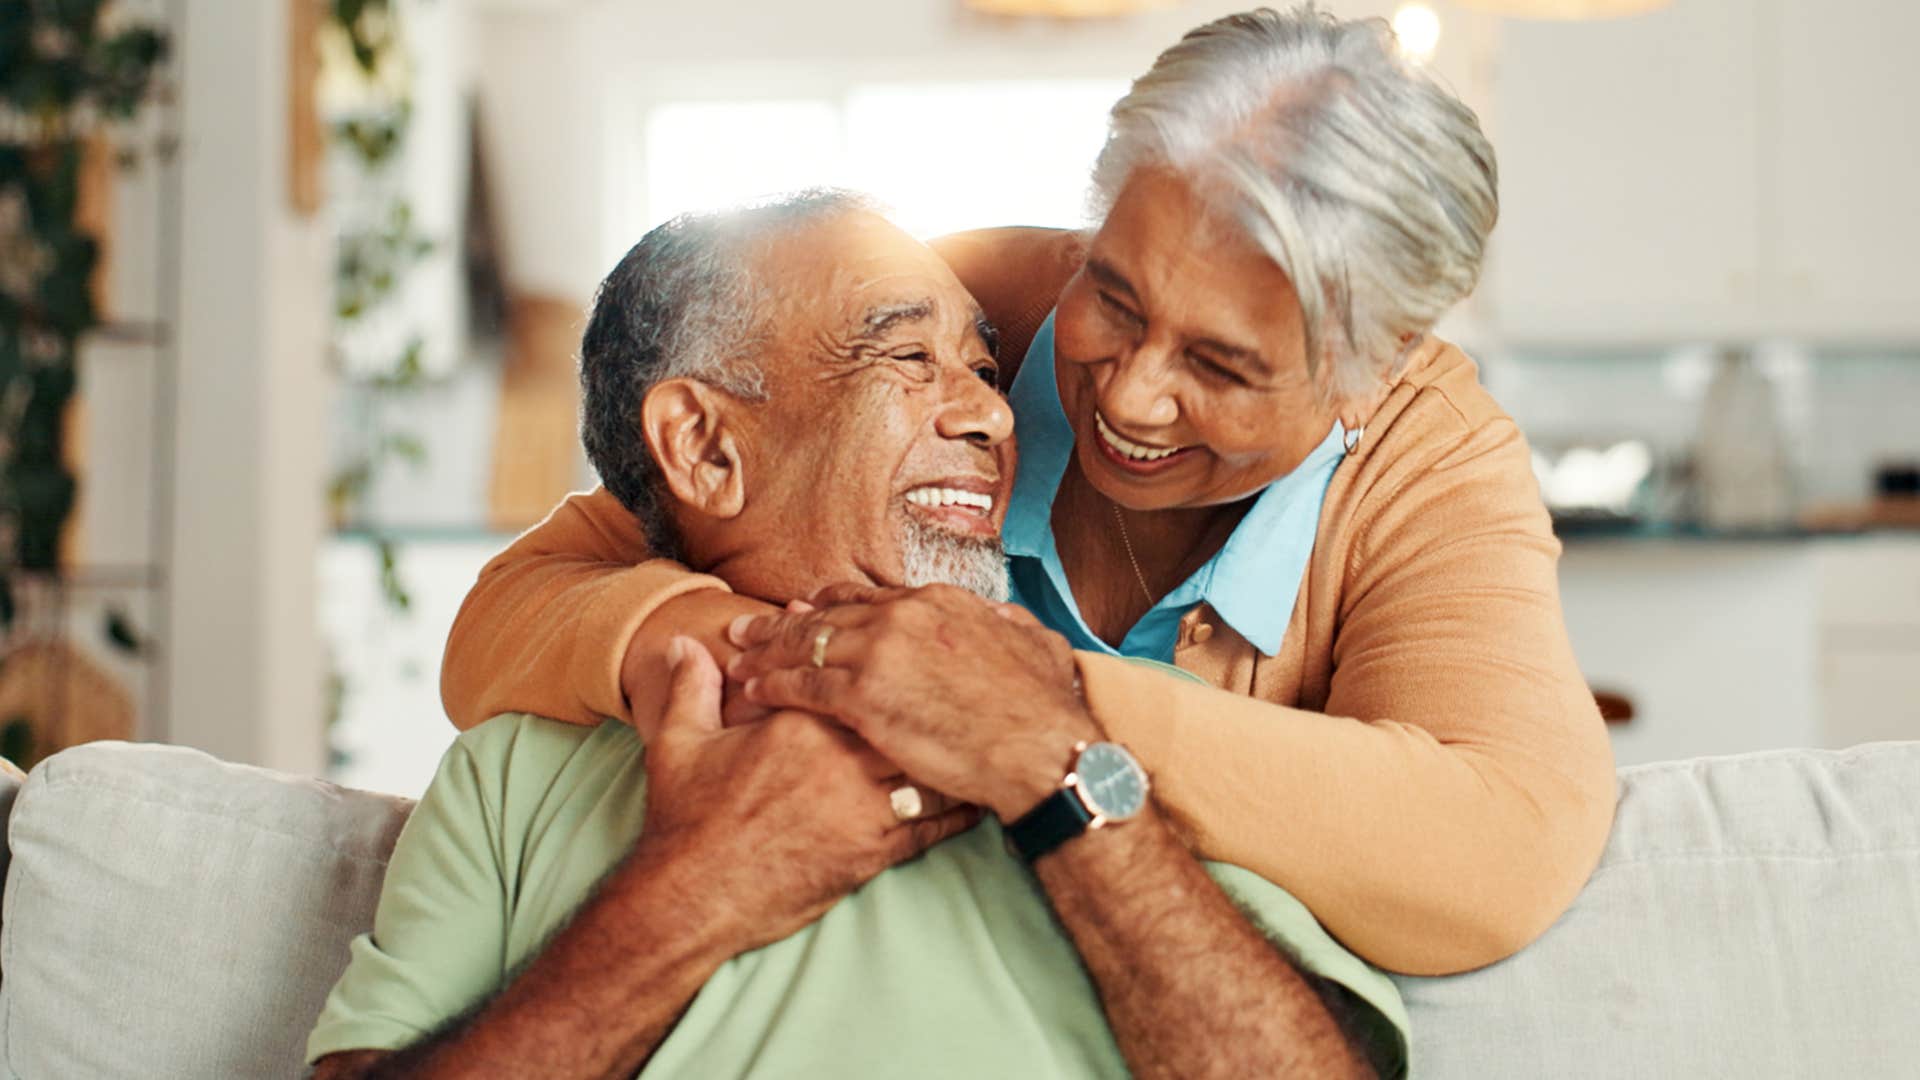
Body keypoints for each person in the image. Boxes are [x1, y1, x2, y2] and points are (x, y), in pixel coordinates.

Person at [439, 5, 1617, 977]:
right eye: (1114, 296)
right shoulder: (961, 312)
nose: (1131, 397)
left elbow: (1495, 850)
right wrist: (769, 649)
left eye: (1222, 366)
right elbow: (529, 595)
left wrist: (1021, 710)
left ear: (1375, 366)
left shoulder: (1431, 456)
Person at [307, 193, 1407, 1079]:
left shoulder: (1127, 737)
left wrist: (1054, 770)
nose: (993, 416)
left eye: (983, 368)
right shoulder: (514, 774)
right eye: (908, 359)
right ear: (705, 448)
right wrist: (706, 882)